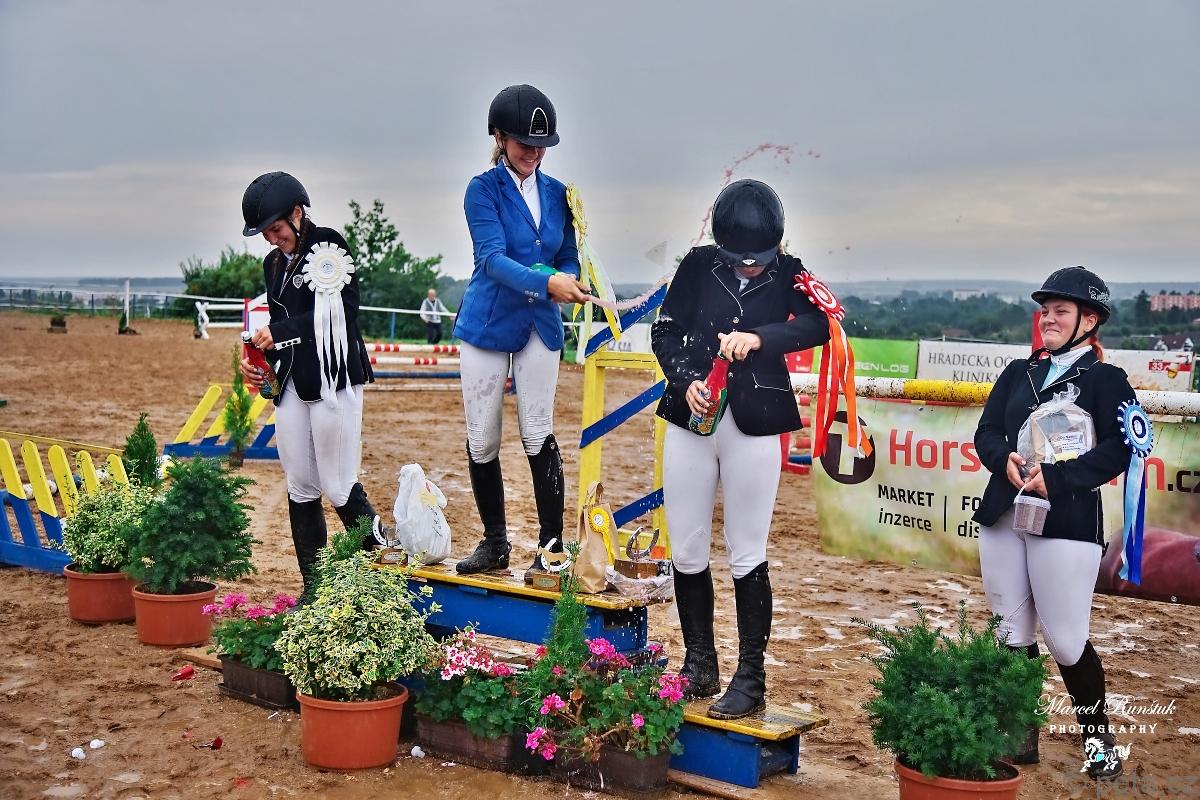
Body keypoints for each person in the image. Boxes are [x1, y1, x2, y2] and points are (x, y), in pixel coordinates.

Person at [651, 179, 832, 720]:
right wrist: (684, 379)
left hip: (755, 424)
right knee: (687, 548)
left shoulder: (790, 270)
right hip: (691, 417)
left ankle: (751, 678)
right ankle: (699, 663)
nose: (750, 269)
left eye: (759, 262)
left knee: (747, 550)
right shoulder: (696, 265)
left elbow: (820, 324)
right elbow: (666, 331)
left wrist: (761, 338)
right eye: (740, 261)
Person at [973, 266, 1134, 780]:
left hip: (1067, 518)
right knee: (1010, 630)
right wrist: (1002, 459)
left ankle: (1098, 741)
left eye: (1060, 311)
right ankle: (1019, 736)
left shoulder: (1107, 380)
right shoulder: (1017, 371)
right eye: (1045, 311)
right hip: (1004, 512)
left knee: (1066, 640)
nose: (1048, 319)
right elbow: (986, 431)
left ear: (1090, 320)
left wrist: (1059, 478)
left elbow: (1119, 450)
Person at [453, 84, 590, 579]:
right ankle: (495, 542)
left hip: (540, 325)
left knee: (538, 430)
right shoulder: (482, 190)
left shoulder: (558, 194)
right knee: (483, 437)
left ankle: (551, 547)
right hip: (489, 323)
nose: (533, 153)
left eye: (541, 146)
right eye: (524, 144)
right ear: (499, 138)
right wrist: (547, 282)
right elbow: (491, 259)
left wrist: (569, 276)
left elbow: (567, 253)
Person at [238, 171, 382, 597]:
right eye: (266, 234)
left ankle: (385, 572)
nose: (272, 239)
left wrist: (279, 333)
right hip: (292, 383)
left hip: (333, 379)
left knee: (338, 484)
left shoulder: (328, 246)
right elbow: (281, 324)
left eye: (276, 229)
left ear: (297, 213)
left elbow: (342, 313)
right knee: (300, 483)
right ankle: (314, 588)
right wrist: (261, 362)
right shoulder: (273, 264)